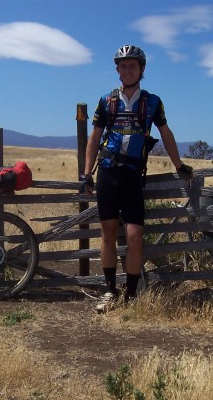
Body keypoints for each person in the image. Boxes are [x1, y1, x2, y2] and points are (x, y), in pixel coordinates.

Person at [81, 44, 192, 312]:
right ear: (117, 70)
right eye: (123, 65)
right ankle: (109, 291)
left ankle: (131, 296)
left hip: (132, 176)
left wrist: (179, 165)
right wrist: (86, 174)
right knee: (108, 235)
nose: (127, 70)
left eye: (133, 65)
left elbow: (165, 132)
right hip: (108, 172)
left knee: (135, 235)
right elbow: (94, 136)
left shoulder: (152, 102)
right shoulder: (106, 101)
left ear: (142, 69)